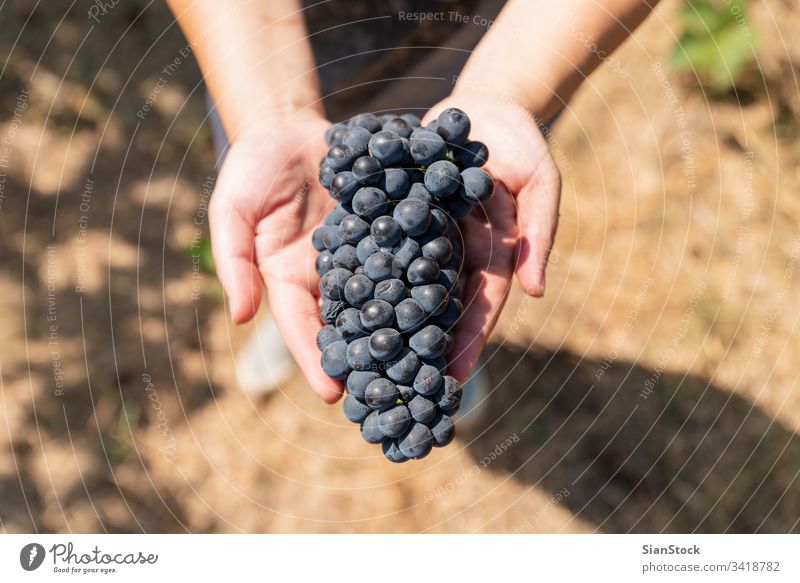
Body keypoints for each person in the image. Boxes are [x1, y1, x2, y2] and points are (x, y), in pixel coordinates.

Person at [166, 0, 659, 410]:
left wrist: (508, 87)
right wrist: (269, 111)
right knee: (309, 211)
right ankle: (316, 308)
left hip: (503, 33)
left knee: (453, 215)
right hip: (266, 45)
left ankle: (434, 319)